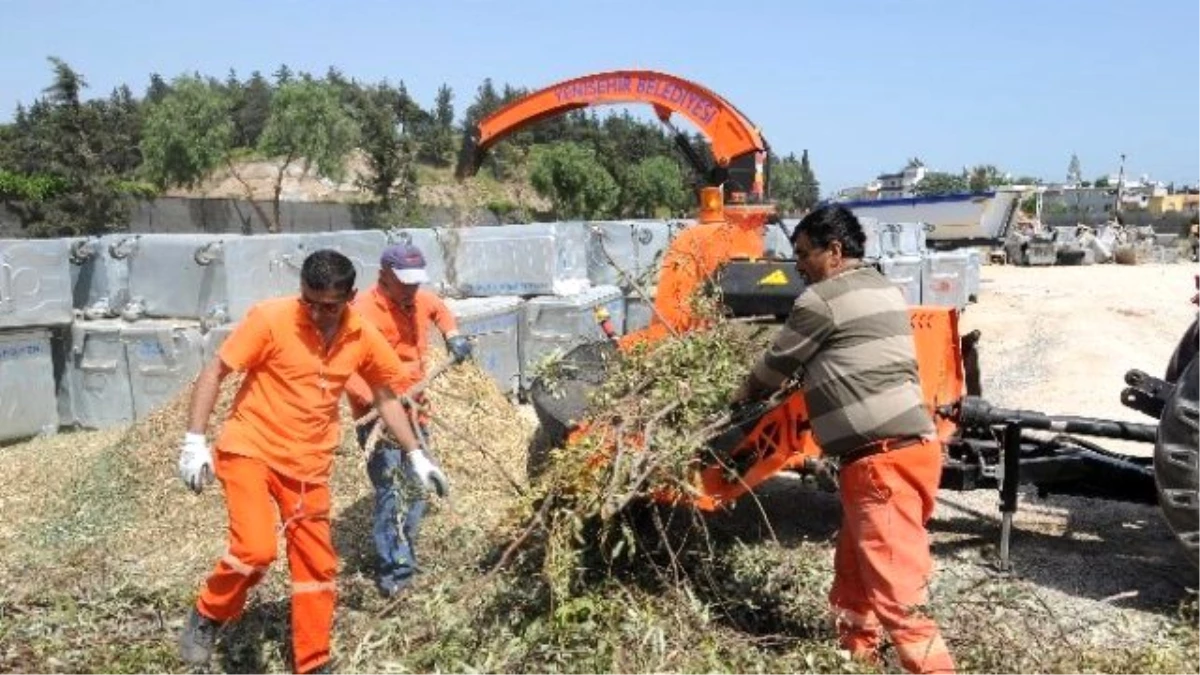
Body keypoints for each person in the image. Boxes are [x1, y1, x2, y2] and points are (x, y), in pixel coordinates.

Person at [176, 249, 449, 674]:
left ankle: (313, 661)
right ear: (301, 292)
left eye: (330, 306)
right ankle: (209, 613)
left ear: (350, 296)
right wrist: (194, 441)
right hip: (251, 447)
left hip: (308, 462)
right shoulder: (270, 319)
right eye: (311, 302)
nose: (319, 314)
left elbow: (384, 396)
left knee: (317, 566)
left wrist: (415, 453)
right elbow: (215, 371)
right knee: (255, 549)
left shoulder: (361, 334)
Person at [731, 205, 956, 673]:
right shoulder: (883, 288)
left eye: (803, 255)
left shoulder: (821, 301)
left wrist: (739, 397)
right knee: (853, 573)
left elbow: (774, 369)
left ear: (834, 251)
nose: (798, 267)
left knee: (899, 597)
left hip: (881, 463)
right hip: (906, 452)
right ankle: (858, 654)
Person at [343, 241, 472, 597]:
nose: (413, 288)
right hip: (378, 419)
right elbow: (346, 371)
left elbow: (440, 309)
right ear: (384, 275)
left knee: (416, 489)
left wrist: (454, 336)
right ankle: (394, 576)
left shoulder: (418, 298)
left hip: (416, 411)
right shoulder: (361, 313)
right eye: (405, 281)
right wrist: (378, 403)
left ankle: (405, 556)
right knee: (392, 493)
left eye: (417, 281)